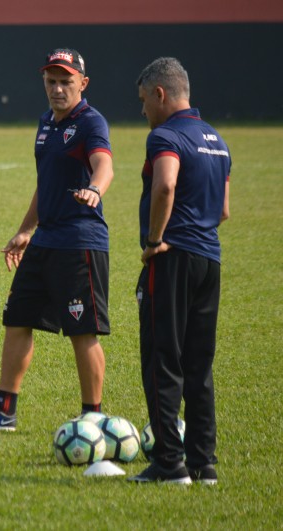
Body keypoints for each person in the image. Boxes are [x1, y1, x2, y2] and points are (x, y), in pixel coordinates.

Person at [0, 49, 114, 430]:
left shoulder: (92, 123)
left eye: (66, 81)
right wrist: (26, 229)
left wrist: (95, 188)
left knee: (82, 330)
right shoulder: (46, 122)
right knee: (18, 318)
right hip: (46, 240)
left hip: (80, 242)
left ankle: (92, 417)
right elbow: (45, 186)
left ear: (83, 83)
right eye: (51, 81)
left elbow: (104, 163)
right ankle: (4, 408)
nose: (58, 89)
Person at [128, 58, 230, 485]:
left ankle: (169, 462)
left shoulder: (165, 135)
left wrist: (154, 242)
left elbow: (166, 184)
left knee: (162, 359)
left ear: (160, 94)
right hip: (210, 260)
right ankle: (203, 462)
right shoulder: (217, 140)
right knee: (198, 364)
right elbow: (223, 210)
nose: (143, 112)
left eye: (143, 102)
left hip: (172, 260)